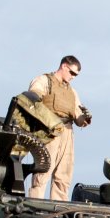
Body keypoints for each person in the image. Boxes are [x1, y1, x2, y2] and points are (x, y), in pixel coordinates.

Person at [25, 56, 91, 199]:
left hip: (67, 132)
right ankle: (34, 205)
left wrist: (85, 117)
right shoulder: (44, 80)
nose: (73, 77)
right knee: (43, 172)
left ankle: (58, 210)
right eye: (72, 73)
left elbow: (79, 118)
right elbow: (33, 96)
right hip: (48, 131)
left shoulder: (72, 92)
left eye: (76, 75)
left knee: (64, 175)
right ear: (64, 67)